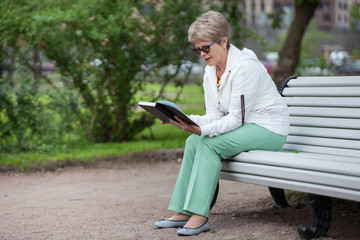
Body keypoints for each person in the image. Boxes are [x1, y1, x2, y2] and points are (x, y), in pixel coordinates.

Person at [154, 10, 290, 236]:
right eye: (197, 49)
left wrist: (202, 130)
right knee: (193, 142)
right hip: (248, 126)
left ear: (224, 41)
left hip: (270, 128)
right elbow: (215, 117)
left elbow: (236, 119)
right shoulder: (211, 71)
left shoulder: (245, 66)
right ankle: (182, 211)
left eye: (205, 47)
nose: (201, 54)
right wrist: (184, 120)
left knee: (207, 143)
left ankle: (200, 215)